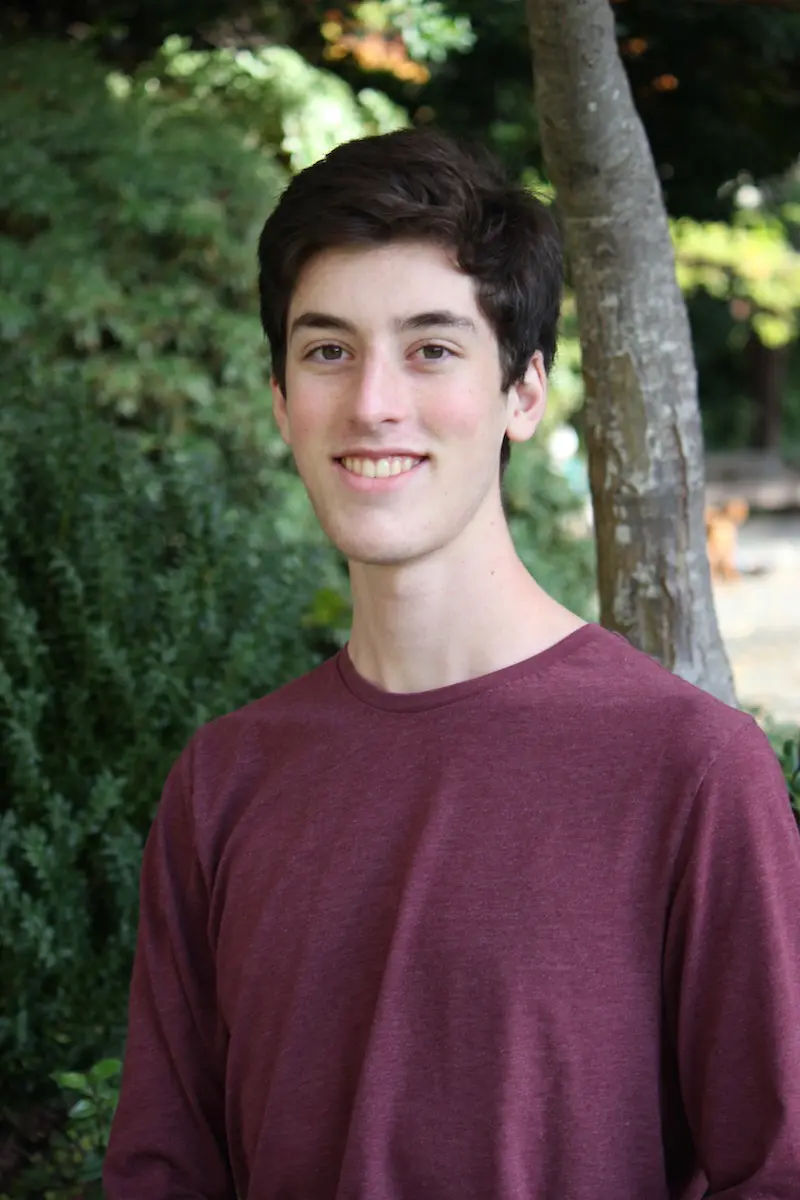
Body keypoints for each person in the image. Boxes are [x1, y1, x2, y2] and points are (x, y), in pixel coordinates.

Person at [104, 129, 800, 1200]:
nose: (373, 402)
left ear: (524, 391)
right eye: (327, 350)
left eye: (431, 348)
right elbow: (164, 1171)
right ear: (281, 398)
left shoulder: (688, 770)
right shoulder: (222, 782)